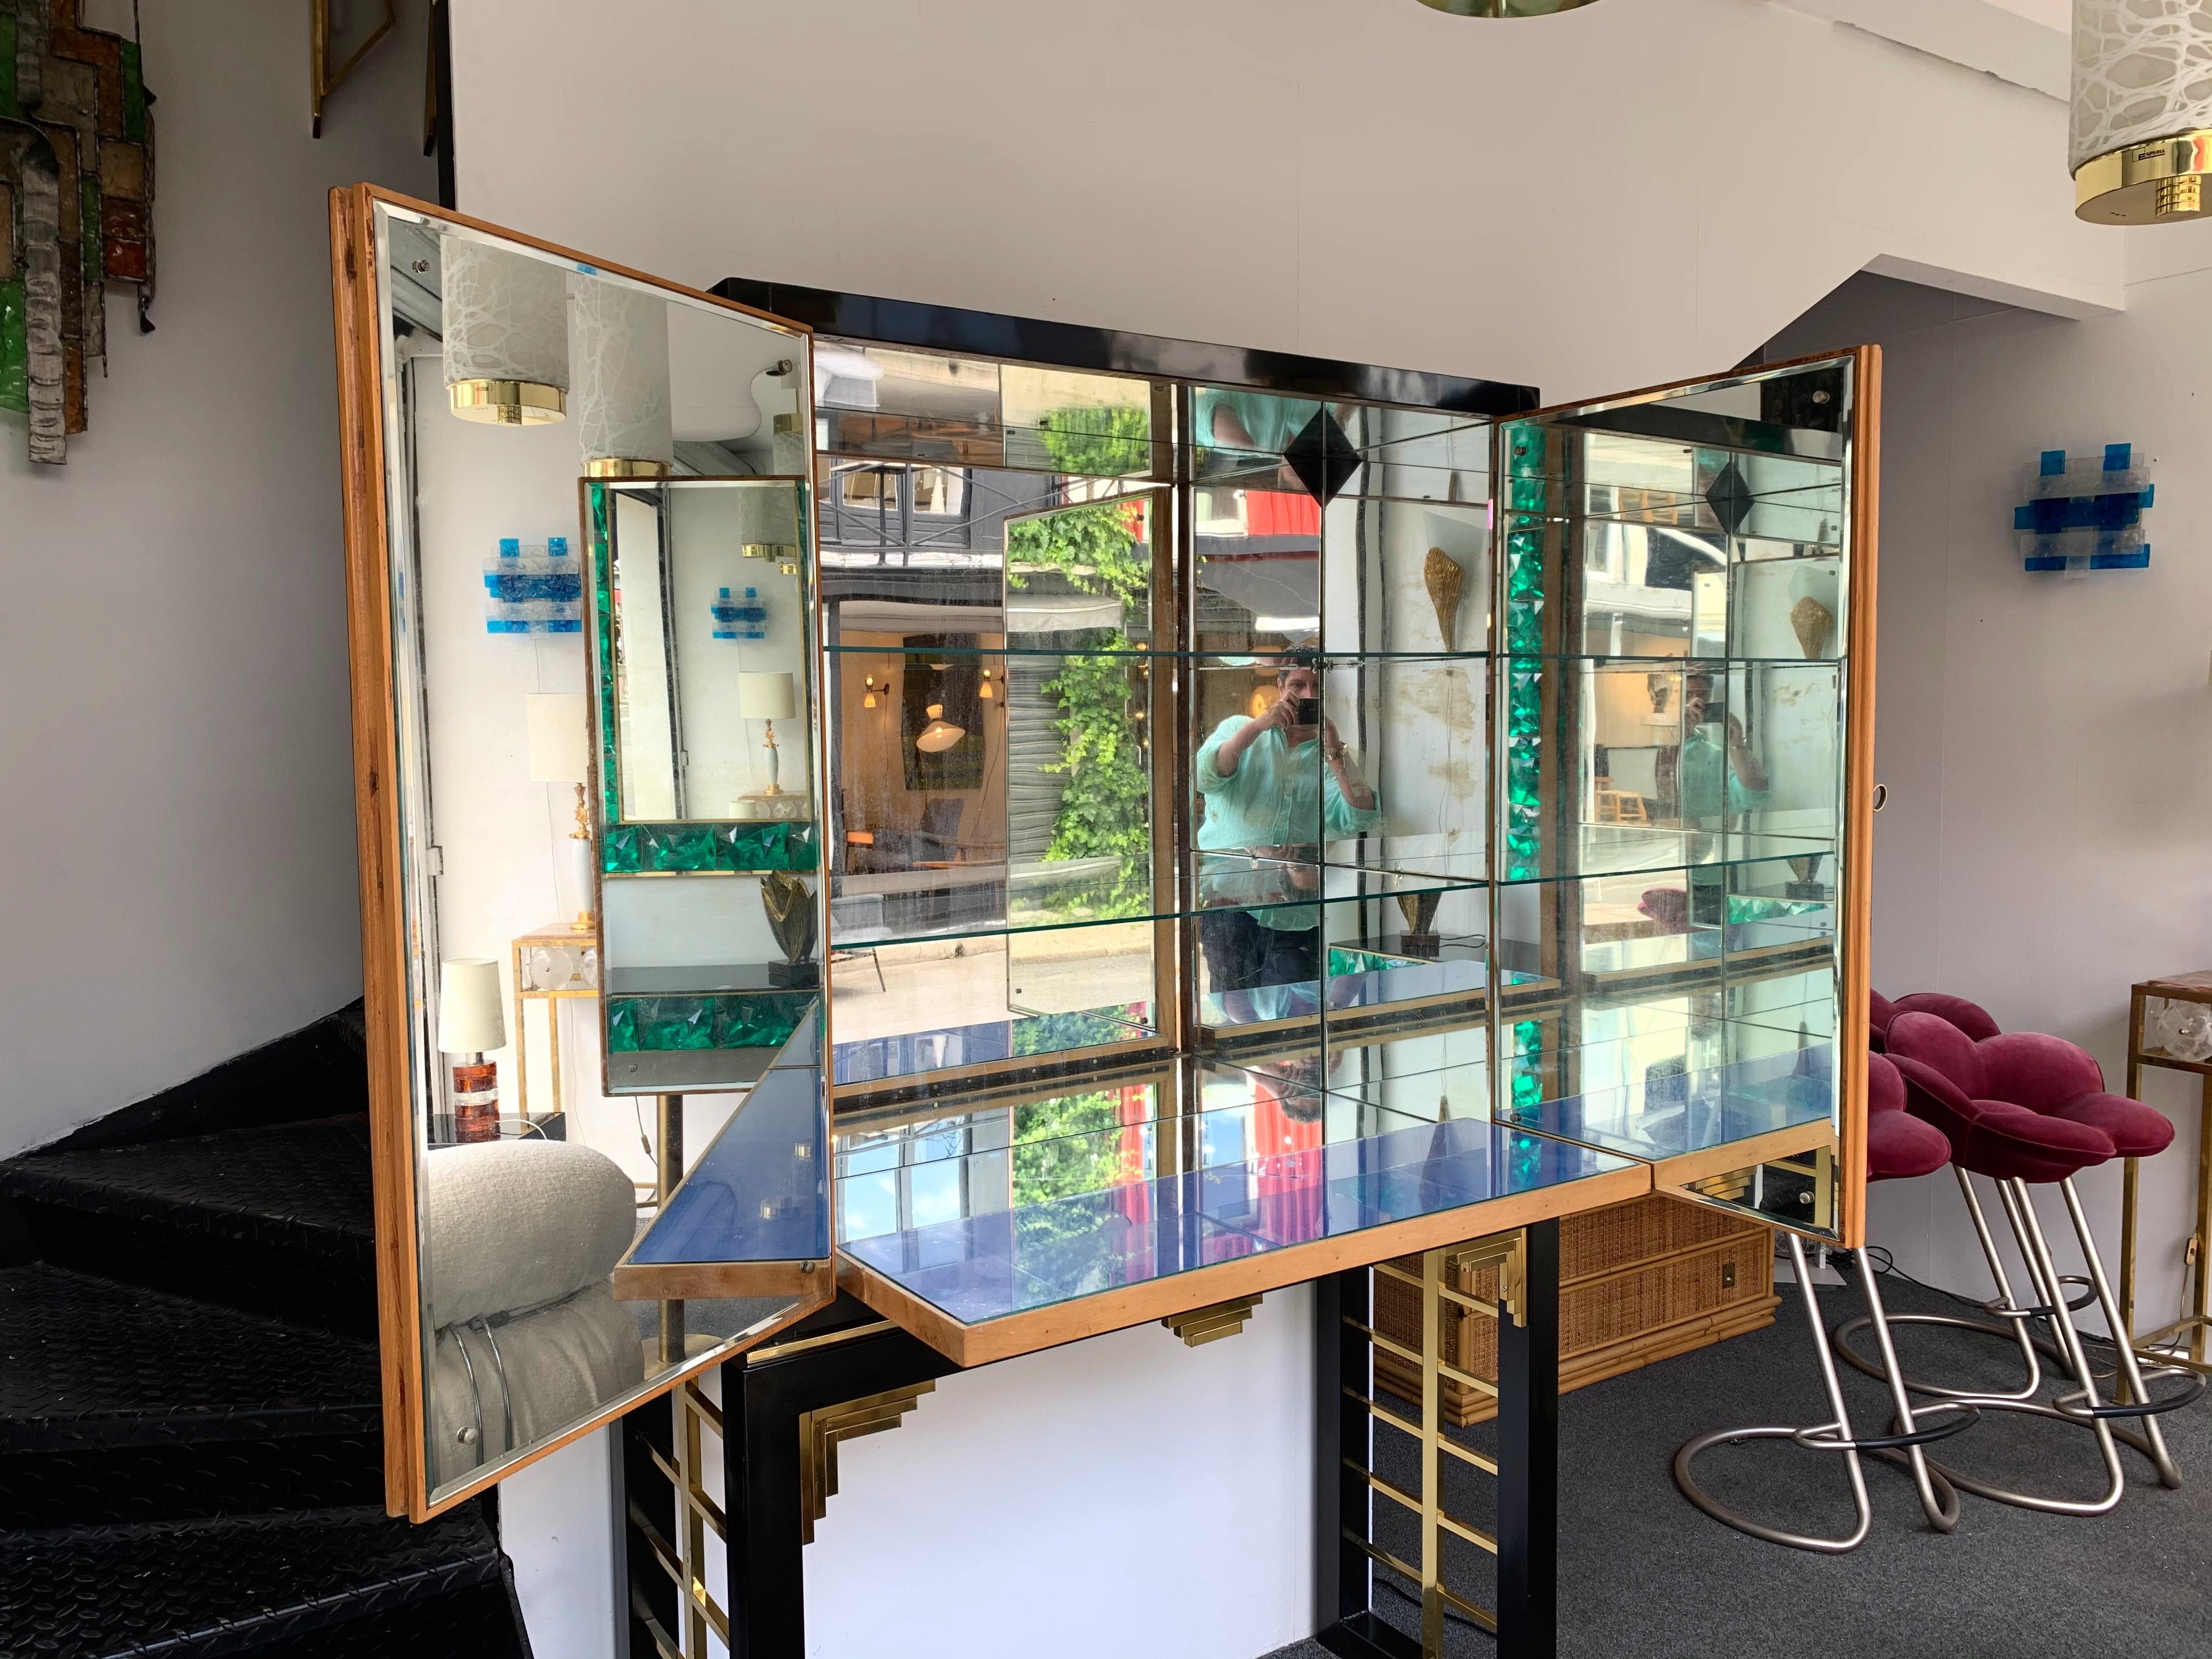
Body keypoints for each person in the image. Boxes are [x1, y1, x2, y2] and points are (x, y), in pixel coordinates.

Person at [1194, 654, 1379, 1016]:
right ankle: (1262, 1062)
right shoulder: (1239, 727)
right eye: (1297, 685)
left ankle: (1291, 1062)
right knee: (1232, 1001)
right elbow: (1206, 775)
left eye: (1316, 688)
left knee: (1300, 1009)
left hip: (1297, 908)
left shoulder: (1333, 757)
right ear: (1280, 689)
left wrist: (1334, 749)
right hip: (1229, 897)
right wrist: (1259, 726)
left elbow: (1362, 815)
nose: (1307, 694)